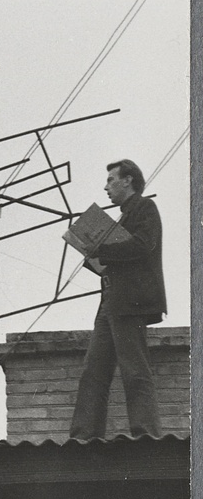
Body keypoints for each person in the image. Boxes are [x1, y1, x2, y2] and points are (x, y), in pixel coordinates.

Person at [69, 159, 165, 440]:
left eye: (111, 179)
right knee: (93, 372)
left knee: (134, 369)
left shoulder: (145, 208)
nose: (106, 186)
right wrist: (93, 254)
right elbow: (116, 258)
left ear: (128, 180)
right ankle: (83, 436)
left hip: (130, 301)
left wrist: (103, 249)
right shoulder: (122, 218)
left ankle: (145, 434)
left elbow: (143, 245)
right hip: (110, 299)